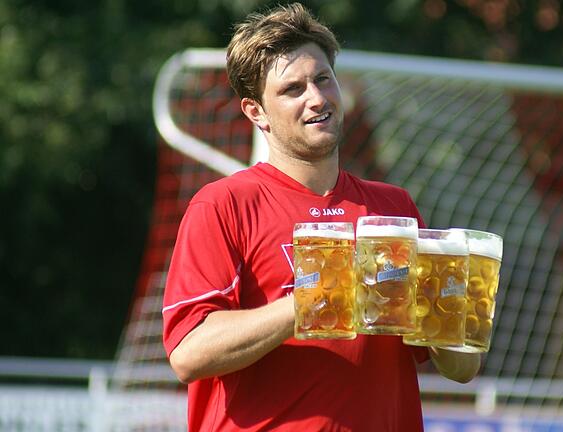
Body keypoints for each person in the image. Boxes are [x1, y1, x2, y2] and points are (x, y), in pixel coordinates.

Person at [162, 3, 481, 431]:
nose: (316, 98)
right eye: (293, 89)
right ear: (256, 112)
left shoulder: (394, 208)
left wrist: (447, 307)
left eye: (322, 79)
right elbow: (188, 352)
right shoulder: (222, 205)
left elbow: (462, 368)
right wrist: (313, 300)